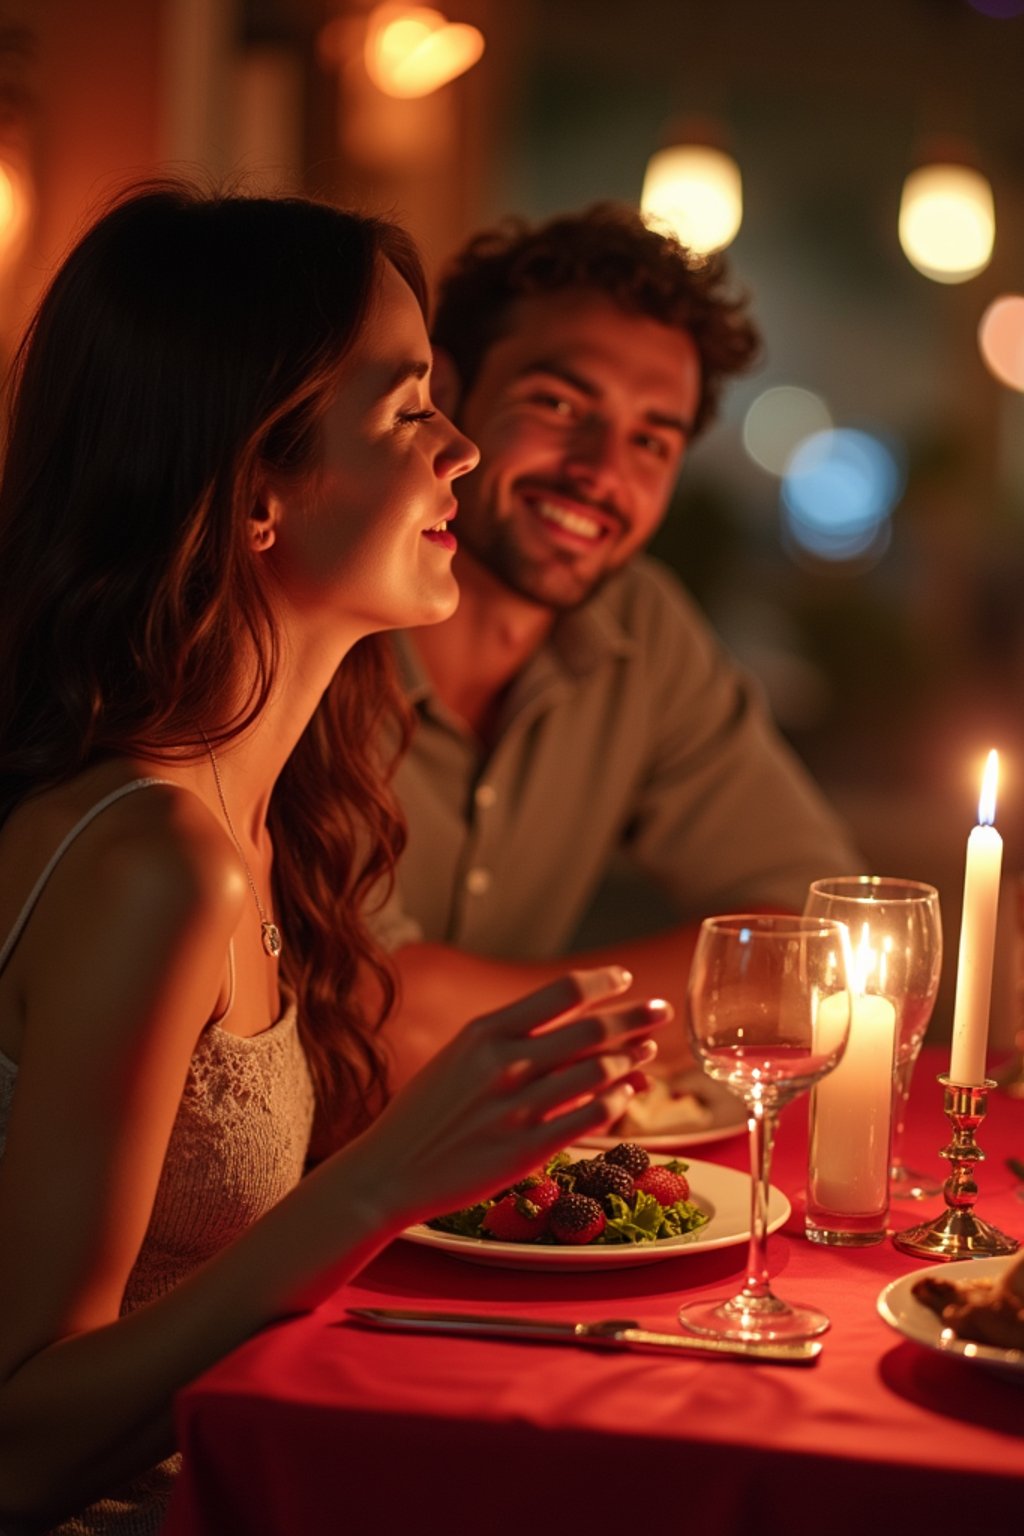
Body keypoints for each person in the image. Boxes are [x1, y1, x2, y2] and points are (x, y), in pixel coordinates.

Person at [0, 183, 669, 1534]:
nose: (462, 452)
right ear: (259, 484)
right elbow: (15, 1451)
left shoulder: (262, 809)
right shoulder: (153, 865)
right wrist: (385, 1178)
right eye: (407, 405)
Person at [375, 204, 863, 1086]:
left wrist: (482, 1019)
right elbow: (369, 1021)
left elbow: (813, 954)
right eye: (559, 403)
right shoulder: (324, 613)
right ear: (442, 391)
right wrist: (686, 999)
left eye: (650, 439)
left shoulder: (641, 629)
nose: (602, 472)